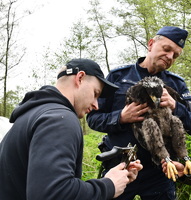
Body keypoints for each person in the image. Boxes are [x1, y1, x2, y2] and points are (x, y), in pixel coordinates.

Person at [0, 58, 143, 200]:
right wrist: (109, 186)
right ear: (80, 78)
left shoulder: (33, 114)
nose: (96, 105)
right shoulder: (60, 120)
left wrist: (110, 179)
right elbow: (53, 194)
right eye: (95, 93)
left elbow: (41, 183)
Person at [87, 26, 191, 200]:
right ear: (151, 44)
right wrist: (120, 117)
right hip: (120, 167)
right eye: (166, 49)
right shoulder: (118, 77)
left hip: (161, 171)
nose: (170, 56)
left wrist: (175, 107)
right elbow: (93, 119)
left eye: (176, 55)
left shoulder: (177, 84)